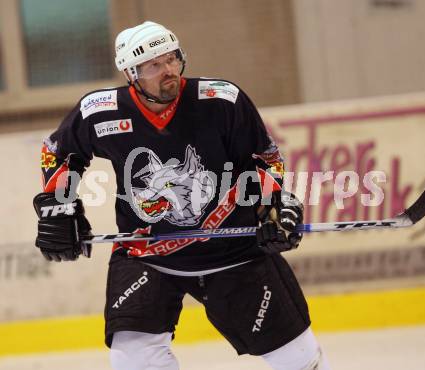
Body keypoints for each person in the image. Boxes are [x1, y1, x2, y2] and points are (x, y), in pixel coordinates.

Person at [33, 21, 331, 370]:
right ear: (131, 73)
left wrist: (273, 205)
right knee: (133, 360)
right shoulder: (100, 112)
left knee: (299, 361)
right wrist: (59, 205)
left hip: (232, 250)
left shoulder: (222, 101)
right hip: (146, 251)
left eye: (172, 59)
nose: (169, 71)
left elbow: (266, 160)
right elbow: (57, 154)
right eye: (154, 66)